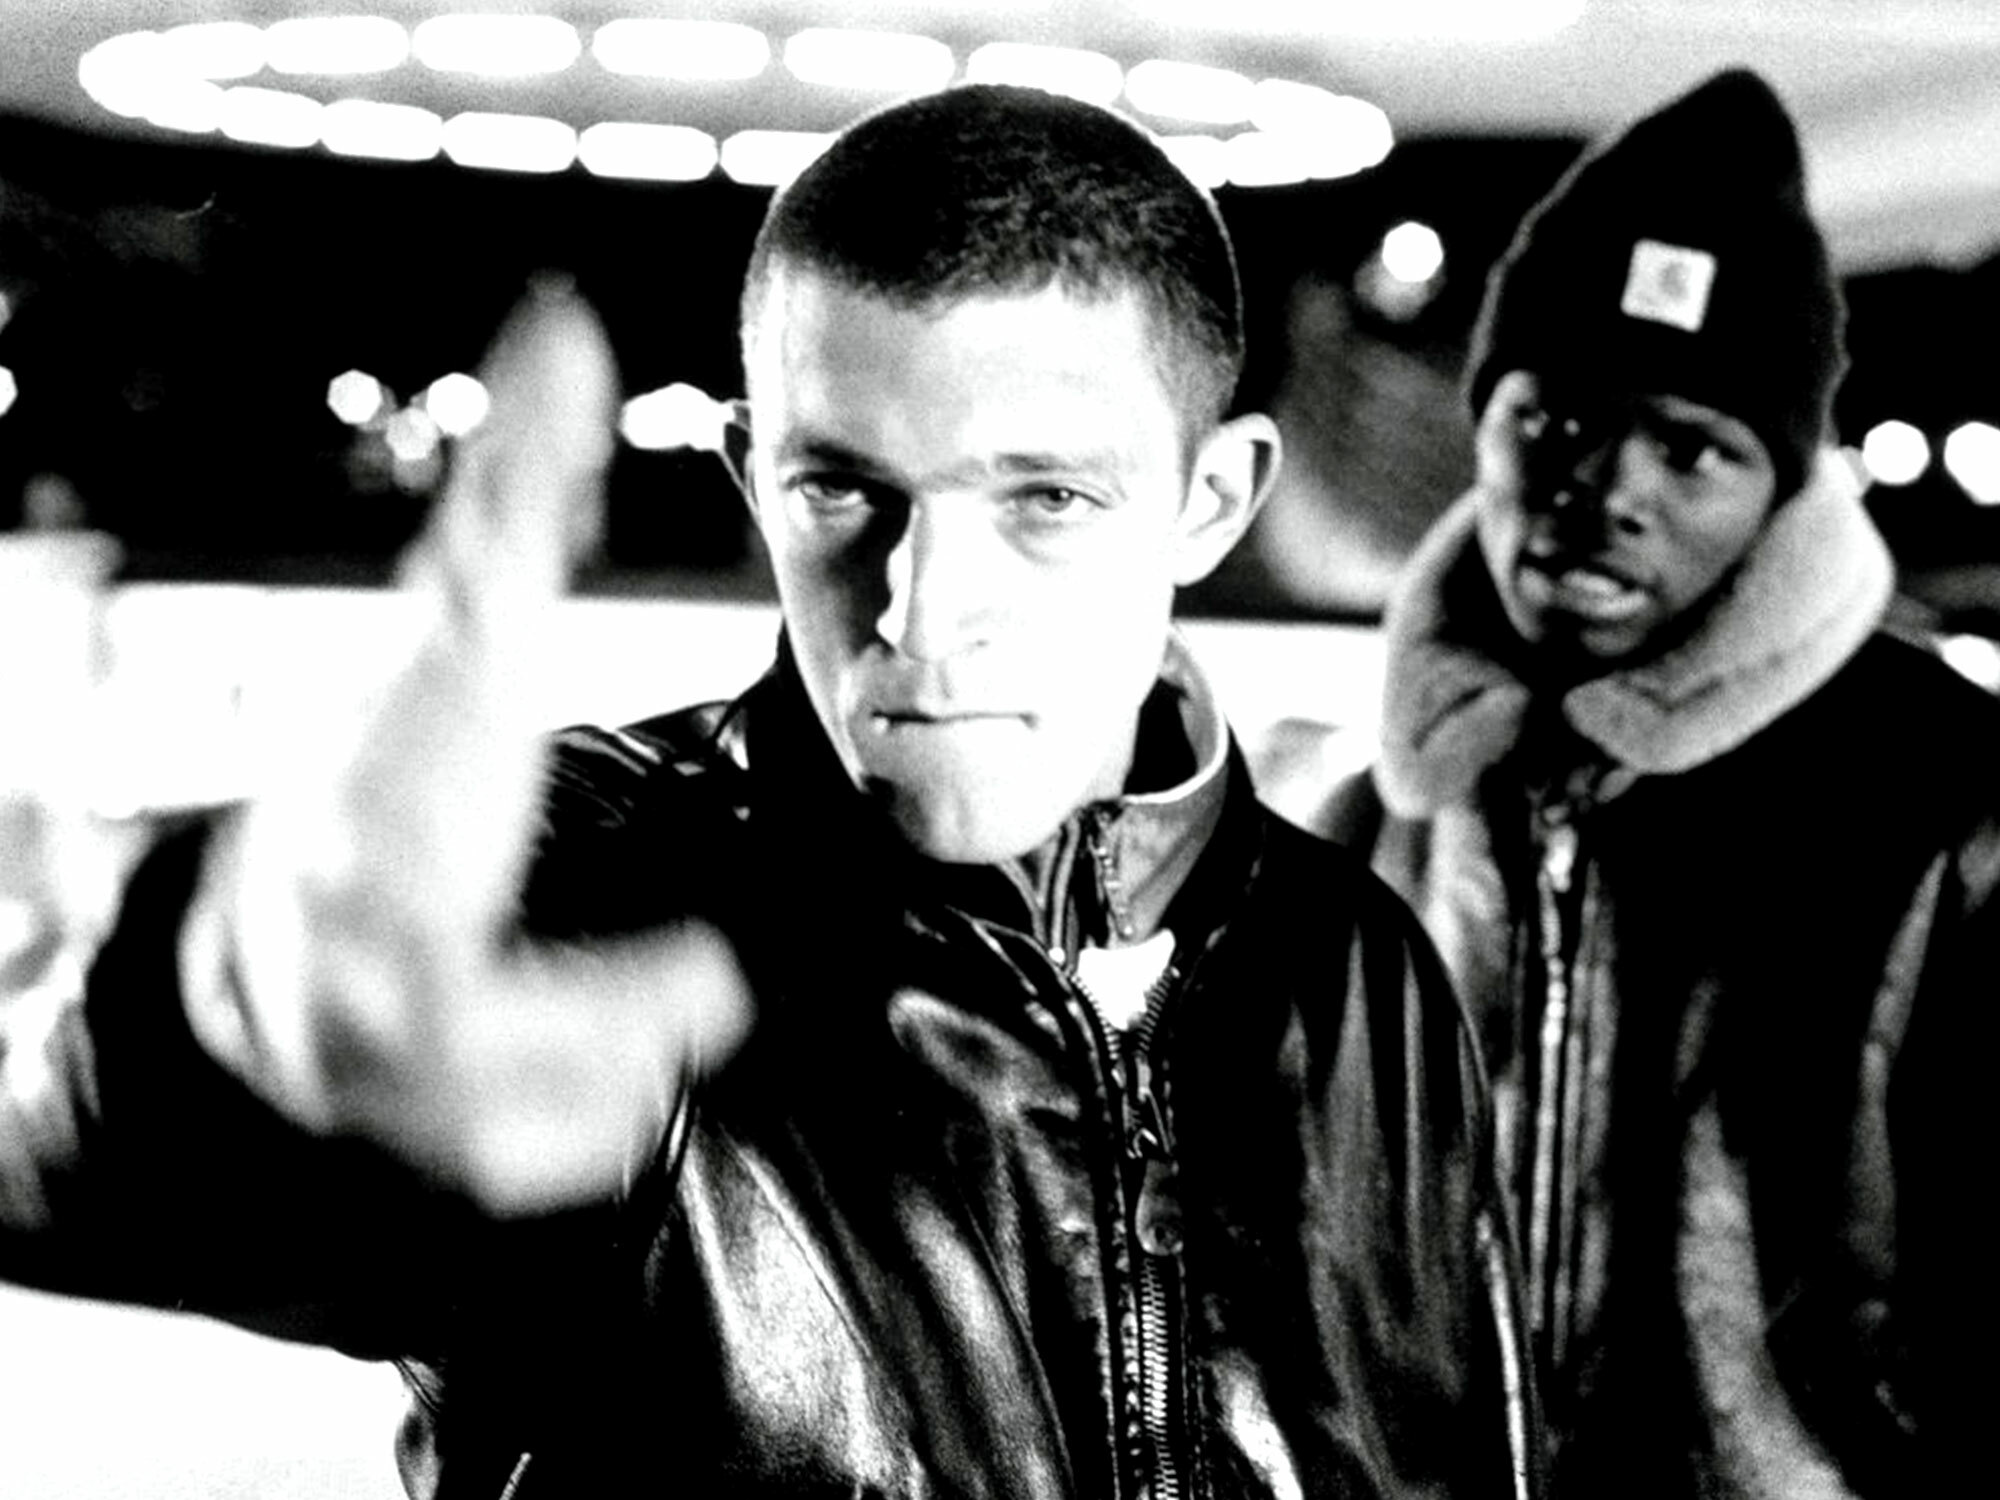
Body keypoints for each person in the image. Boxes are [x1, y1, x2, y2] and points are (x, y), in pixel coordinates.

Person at [1, 85, 1535, 1499]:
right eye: (841, 491)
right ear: (752, 478)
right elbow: (73, 1157)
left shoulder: (1362, 969)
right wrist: (206, 1032)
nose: (921, 614)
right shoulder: (602, 890)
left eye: (1047, 499)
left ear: (1211, 502)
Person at [1263, 68, 1994, 1498]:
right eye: (1558, 420)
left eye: (1693, 448)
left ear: (1782, 488)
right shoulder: (1380, 807)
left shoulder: (1949, 812)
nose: (1608, 490)